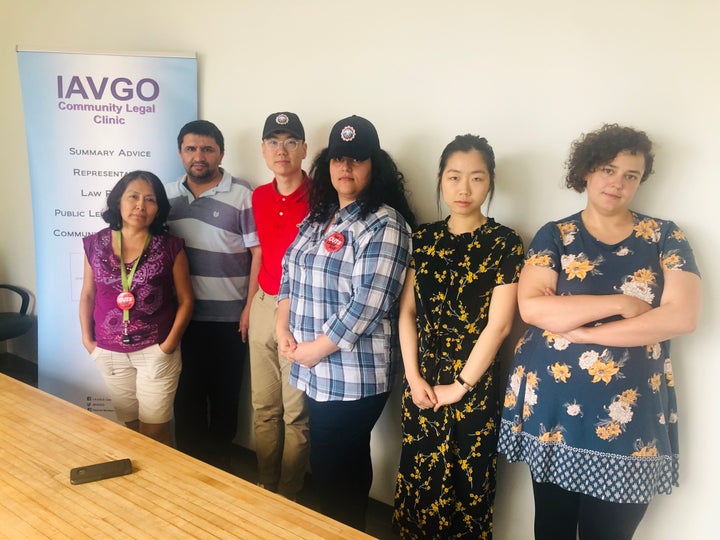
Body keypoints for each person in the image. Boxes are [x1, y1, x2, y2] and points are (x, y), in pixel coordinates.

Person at [497, 124, 702, 540]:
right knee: (552, 528)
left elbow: (681, 317)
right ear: (586, 172)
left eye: (631, 175)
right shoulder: (555, 234)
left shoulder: (665, 236)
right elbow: (533, 306)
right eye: (609, 170)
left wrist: (588, 333)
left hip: (630, 419)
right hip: (554, 410)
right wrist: (621, 305)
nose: (618, 183)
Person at [276, 115, 416, 530]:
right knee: (336, 463)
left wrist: (312, 350)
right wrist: (283, 327)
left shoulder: (385, 223)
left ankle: (341, 528)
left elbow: (368, 304)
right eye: (338, 158)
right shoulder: (319, 217)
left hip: (353, 374)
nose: (345, 168)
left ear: (375, 166)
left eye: (356, 159)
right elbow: (288, 272)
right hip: (314, 366)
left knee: (334, 466)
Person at [392, 135, 524, 538]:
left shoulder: (505, 243)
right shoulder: (424, 237)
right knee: (419, 474)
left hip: (475, 385)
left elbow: (499, 326)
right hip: (422, 380)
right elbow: (407, 312)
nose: (464, 189)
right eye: (454, 177)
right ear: (440, 180)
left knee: (468, 485)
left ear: (491, 182)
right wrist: (414, 378)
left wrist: (460, 386)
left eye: (476, 178)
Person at [165, 120, 260, 470]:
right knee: (186, 398)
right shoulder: (166, 196)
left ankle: (220, 471)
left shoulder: (243, 195)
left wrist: (250, 306)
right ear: (180, 153)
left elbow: (258, 255)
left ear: (221, 153)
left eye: (207, 149)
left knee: (224, 400)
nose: (199, 156)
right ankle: (190, 471)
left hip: (229, 320)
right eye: (191, 149)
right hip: (181, 319)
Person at [79, 170, 194, 446]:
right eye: (133, 197)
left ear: (158, 208)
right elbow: (87, 294)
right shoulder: (95, 244)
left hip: (155, 351)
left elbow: (187, 299)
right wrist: (88, 340)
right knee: (130, 429)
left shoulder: (169, 247)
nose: (140, 205)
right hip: (109, 352)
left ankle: (162, 486)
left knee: (155, 432)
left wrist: (168, 346)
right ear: (119, 200)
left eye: (150, 199)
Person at [249, 112, 311, 499]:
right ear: (263, 150)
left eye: (290, 142)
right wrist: (248, 307)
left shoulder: (324, 197)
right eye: (273, 142)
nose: (282, 150)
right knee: (263, 406)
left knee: (296, 414)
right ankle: (264, 486)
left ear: (304, 149)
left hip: (303, 313)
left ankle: (289, 495)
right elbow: (259, 255)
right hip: (262, 302)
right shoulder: (258, 196)